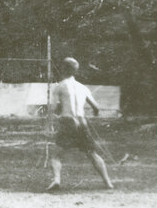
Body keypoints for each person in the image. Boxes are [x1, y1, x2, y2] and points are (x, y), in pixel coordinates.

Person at [46, 57, 113, 192]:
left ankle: (56, 180)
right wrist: (94, 113)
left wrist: (50, 124)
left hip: (68, 121)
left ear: (63, 69)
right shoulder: (83, 87)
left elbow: (52, 108)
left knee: (56, 155)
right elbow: (96, 107)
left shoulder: (60, 86)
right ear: (75, 71)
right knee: (92, 154)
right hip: (82, 122)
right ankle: (108, 183)